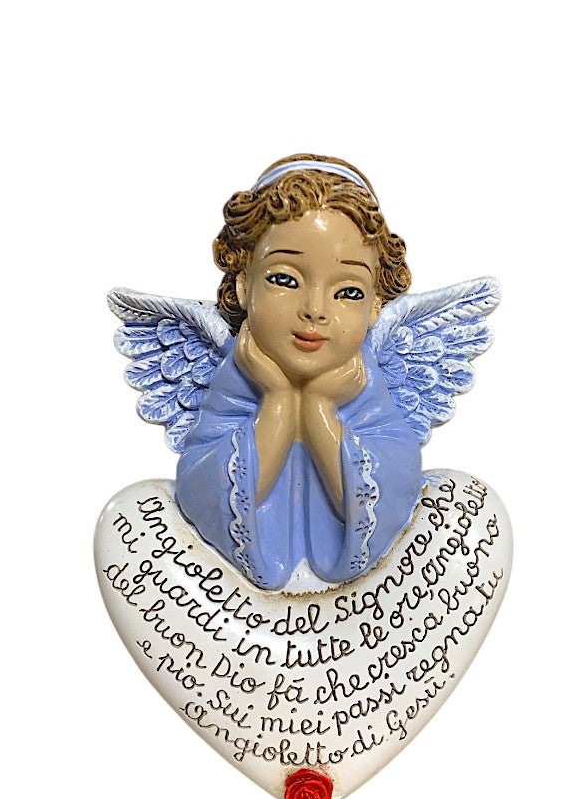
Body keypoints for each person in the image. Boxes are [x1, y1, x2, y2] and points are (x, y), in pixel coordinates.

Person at [175, 155, 423, 590]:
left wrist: (320, 408)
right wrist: (277, 400)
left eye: (348, 292)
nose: (315, 309)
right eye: (285, 280)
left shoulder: (367, 384)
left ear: (375, 306)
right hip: (234, 596)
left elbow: (390, 491)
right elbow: (204, 492)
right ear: (244, 285)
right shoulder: (236, 378)